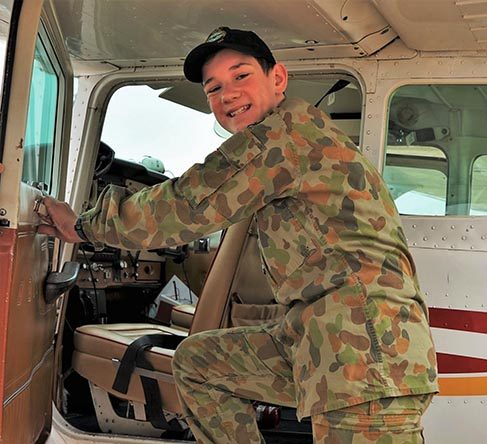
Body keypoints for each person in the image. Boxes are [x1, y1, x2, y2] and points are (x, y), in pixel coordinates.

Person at [39, 27, 438, 443]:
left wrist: (82, 224)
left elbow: (188, 204)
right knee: (200, 364)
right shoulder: (289, 140)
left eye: (241, 76)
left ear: (278, 79)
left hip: (363, 351)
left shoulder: (285, 138)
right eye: (214, 88)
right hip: (317, 339)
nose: (227, 94)